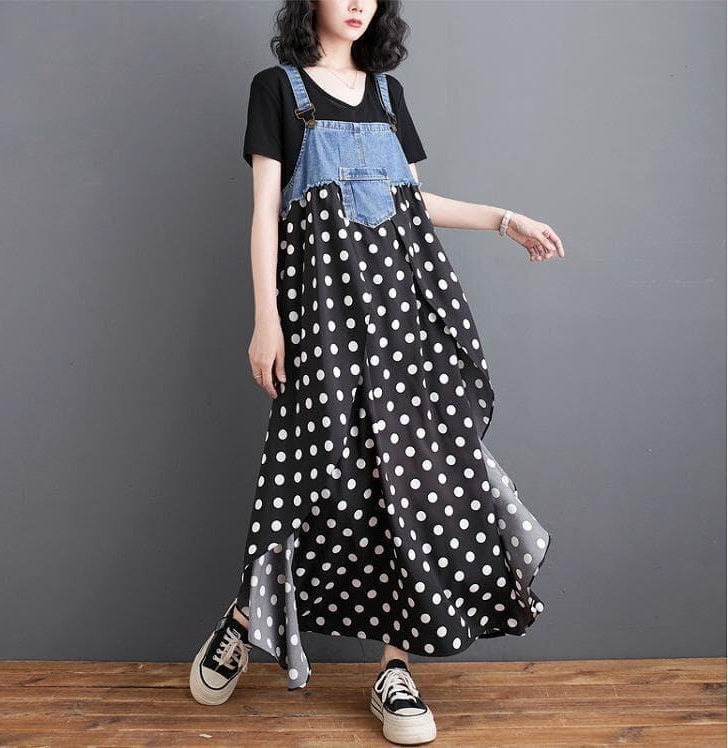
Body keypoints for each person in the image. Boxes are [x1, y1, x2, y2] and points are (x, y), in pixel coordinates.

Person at [189, 0, 562, 744]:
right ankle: (246, 618)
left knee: (418, 476)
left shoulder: (390, 94)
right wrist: (266, 318)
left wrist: (502, 219)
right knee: (319, 473)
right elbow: (266, 213)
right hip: (323, 312)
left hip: (408, 312)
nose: (358, 2)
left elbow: (410, 201)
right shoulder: (277, 89)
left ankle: (395, 670)